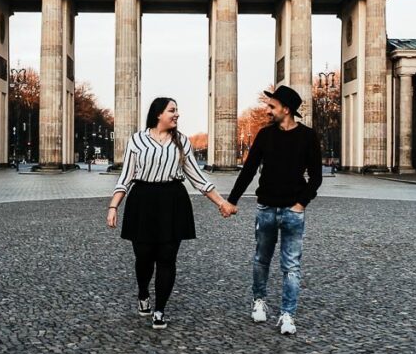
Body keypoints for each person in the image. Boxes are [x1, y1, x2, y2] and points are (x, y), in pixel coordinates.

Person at [107, 97, 236, 329]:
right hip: (142, 200)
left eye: (177, 110)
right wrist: (113, 206)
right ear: (158, 114)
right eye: (172, 110)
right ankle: (143, 293)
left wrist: (221, 203)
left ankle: (159, 310)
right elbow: (125, 177)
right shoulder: (137, 140)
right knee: (144, 257)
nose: (177, 114)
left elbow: (198, 178)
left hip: (172, 201)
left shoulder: (182, 142)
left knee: (167, 258)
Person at [226, 85, 323, 336]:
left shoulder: (308, 136)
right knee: (261, 260)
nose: (268, 111)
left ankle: (287, 314)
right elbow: (248, 170)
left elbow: (316, 177)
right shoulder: (264, 135)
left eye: (272, 107)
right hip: (266, 207)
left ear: (286, 109)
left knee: (291, 266)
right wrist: (232, 200)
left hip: (293, 211)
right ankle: (259, 300)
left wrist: (301, 203)